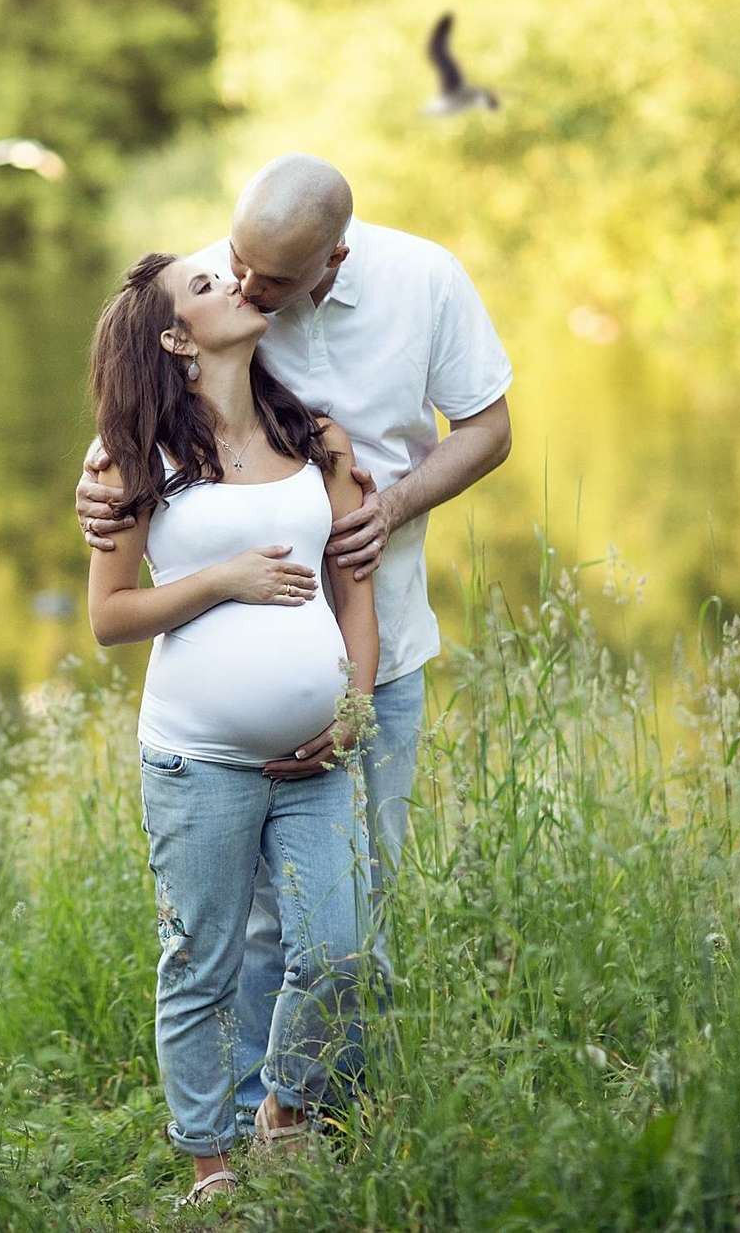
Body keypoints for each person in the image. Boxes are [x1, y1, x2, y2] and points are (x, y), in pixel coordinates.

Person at [76, 154, 514, 1142]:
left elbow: (487, 428)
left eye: (271, 279)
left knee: (352, 918)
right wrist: (97, 488)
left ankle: (305, 1108)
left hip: (378, 650)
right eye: (233, 266)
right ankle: (231, 1133)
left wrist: (391, 504)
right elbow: (137, 406)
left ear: (333, 259)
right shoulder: (214, 285)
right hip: (214, 726)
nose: (245, 286)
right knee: (251, 930)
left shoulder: (423, 284)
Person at [86, 251, 378, 1204]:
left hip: (316, 761)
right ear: (175, 338)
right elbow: (111, 615)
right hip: (197, 760)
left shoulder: (316, 436)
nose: (231, 287)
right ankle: (209, 1162)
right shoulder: (137, 459)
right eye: (204, 288)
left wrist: (353, 710)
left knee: (337, 949)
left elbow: (354, 592)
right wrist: (221, 581)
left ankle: (285, 1110)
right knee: (201, 960)